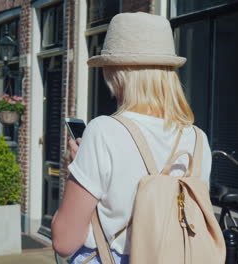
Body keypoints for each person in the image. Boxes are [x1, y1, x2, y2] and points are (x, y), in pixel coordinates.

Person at [51, 12, 212, 264]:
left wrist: (76, 168)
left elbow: (64, 241)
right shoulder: (198, 139)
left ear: (116, 72)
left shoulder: (103, 131)